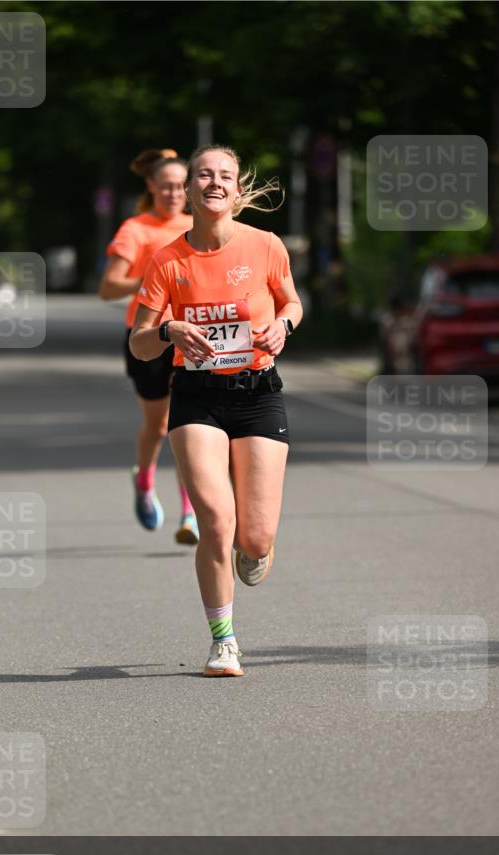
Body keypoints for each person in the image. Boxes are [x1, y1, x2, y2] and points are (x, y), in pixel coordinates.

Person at [130, 144, 303, 677]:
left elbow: (292, 302)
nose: (214, 183)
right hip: (197, 397)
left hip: (258, 393)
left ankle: (256, 548)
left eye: (224, 175)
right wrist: (168, 329)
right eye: (203, 175)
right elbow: (138, 341)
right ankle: (224, 642)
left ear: (237, 187)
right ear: (189, 189)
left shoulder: (266, 245)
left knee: (254, 537)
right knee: (215, 521)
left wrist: (283, 326)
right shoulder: (168, 260)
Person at [99, 149, 199, 545]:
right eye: (166, 186)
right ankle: (143, 481)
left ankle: (190, 513)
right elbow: (108, 288)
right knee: (158, 427)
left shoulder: (199, 225)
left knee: (190, 426)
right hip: (148, 338)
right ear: (151, 187)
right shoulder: (136, 229)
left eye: (180, 186)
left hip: (192, 337)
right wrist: (152, 280)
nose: (174, 194)